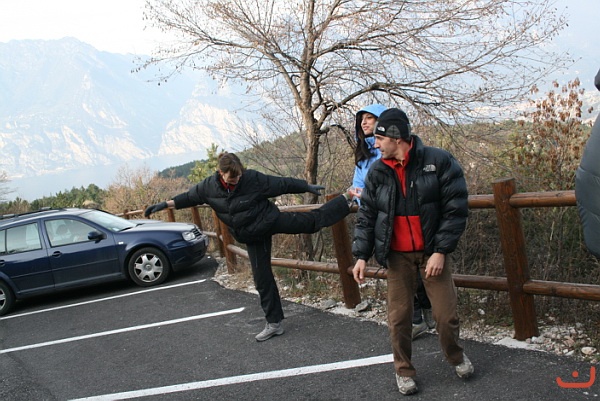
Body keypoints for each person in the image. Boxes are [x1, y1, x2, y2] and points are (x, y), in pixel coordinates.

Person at [145, 152, 352, 342]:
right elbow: (189, 197)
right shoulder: (208, 187)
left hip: (268, 220)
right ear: (221, 173)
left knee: (309, 224)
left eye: (238, 176)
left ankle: (345, 200)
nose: (236, 180)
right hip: (252, 236)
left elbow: (280, 184)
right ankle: (274, 323)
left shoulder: (251, 179)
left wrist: (305, 186)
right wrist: (164, 205)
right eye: (232, 178)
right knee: (261, 278)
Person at [351, 108, 473, 395]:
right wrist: (361, 256)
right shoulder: (378, 171)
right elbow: (367, 216)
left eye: (379, 138)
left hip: (432, 253)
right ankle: (403, 371)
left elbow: (456, 209)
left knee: (445, 316)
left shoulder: (438, 161)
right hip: (397, 257)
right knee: (399, 318)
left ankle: (456, 356)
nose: (375, 144)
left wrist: (440, 250)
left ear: (396, 138)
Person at [350, 103, 435, 339]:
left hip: (403, 218)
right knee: (399, 271)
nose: (364, 122)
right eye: (361, 119)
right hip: (379, 220)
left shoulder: (393, 150)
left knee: (417, 271)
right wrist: (360, 196)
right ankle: (417, 318)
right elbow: (359, 186)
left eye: (370, 118)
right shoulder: (364, 155)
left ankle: (427, 311)